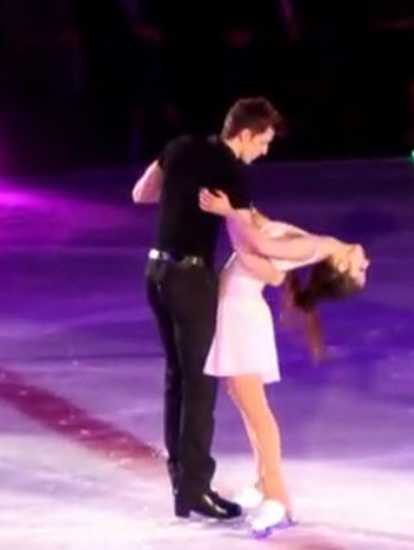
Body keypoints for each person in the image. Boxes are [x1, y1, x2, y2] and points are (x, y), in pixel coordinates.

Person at [131, 97, 318, 520]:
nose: (264, 152)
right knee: (200, 384)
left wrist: (179, 191)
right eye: (264, 142)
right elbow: (250, 234)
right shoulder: (230, 170)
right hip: (192, 279)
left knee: (176, 377)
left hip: (155, 273)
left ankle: (182, 481)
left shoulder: (179, 146)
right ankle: (195, 490)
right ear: (246, 133)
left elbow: (141, 193)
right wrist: (296, 255)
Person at [198, 190, 369, 537]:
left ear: (339, 267)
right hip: (238, 312)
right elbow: (261, 228)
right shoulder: (318, 243)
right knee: (248, 406)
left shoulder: (314, 248)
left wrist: (229, 212)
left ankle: (279, 500)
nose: (366, 263)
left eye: (359, 270)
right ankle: (264, 484)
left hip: (241, 316)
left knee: (258, 412)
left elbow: (258, 245)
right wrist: (240, 205)